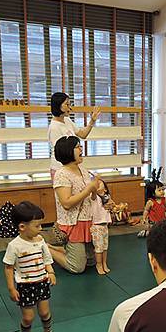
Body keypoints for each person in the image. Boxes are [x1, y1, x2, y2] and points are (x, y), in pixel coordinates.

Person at [4, 201, 57, 332]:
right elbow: (8, 267)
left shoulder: (40, 241)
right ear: (22, 227)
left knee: (44, 312)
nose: (40, 229)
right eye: (37, 226)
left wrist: (51, 272)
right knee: (28, 317)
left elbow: (46, 259)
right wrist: (11, 288)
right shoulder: (14, 246)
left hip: (42, 282)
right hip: (25, 286)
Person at [49, 136, 100, 274]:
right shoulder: (61, 174)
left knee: (91, 261)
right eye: (77, 147)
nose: (81, 149)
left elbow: (89, 196)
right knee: (77, 267)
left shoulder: (83, 170)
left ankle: (63, 249)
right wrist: (89, 189)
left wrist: (95, 189)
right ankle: (45, 249)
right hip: (73, 223)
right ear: (68, 151)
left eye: (80, 146)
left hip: (87, 221)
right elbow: (66, 203)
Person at [48, 92, 101, 179]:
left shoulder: (67, 120)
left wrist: (92, 121)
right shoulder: (54, 127)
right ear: (58, 105)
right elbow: (61, 154)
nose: (70, 108)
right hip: (60, 169)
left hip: (71, 167)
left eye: (70, 104)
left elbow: (83, 135)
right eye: (67, 104)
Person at [91, 179, 113, 275]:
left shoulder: (106, 197)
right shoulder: (94, 197)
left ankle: (104, 263)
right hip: (96, 226)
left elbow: (112, 205)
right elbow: (93, 193)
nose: (99, 186)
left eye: (101, 184)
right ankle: (99, 264)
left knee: (105, 247)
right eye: (97, 185)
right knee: (98, 248)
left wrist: (111, 205)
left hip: (104, 226)